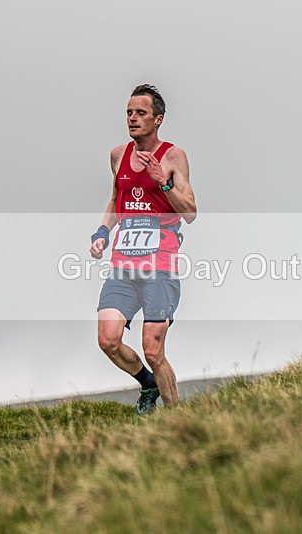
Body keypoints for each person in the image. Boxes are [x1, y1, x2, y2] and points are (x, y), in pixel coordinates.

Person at [90, 84, 197, 414]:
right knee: (108, 339)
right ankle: (148, 384)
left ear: (158, 119)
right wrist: (102, 232)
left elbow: (190, 212)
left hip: (159, 267)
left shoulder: (173, 156)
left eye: (140, 113)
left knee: (153, 349)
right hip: (123, 265)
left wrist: (162, 181)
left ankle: (177, 418)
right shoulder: (117, 155)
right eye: (128, 113)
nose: (132, 119)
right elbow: (115, 199)